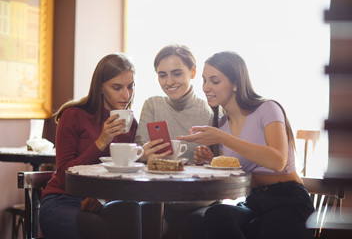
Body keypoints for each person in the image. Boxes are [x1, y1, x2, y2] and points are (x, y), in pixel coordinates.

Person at [178, 51, 315, 239]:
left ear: (236, 84)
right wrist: (214, 161)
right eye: (204, 80)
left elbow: (278, 161)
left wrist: (223, 138)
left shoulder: (267, 108)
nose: (206, 87)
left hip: (288, 199)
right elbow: (244, 166)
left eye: (214, 81)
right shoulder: (222, 124)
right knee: (216, 214)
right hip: (254, 200)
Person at [39, 53, 141, 239]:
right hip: (63, 200)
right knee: (106, 232)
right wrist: (102, 140)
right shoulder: (73, 115)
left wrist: (142, 155)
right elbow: (63, 176)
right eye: (117, 87)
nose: (126, 95)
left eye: (130, 86)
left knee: (134, 213)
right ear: (100, 87)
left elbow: (121, 175)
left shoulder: (130, 124)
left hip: (104, 201)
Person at [134, 44, 214, 239]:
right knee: (139, 214)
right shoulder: (153, 105)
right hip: (159, 198)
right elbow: (137, 157)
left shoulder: (210, 111)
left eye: (176, 73)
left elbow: (220, 163)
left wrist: (209, 159)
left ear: (193, 72)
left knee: (193, 224)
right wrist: (142, 154)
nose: (169, 82)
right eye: (162, 75)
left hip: (198, 199)